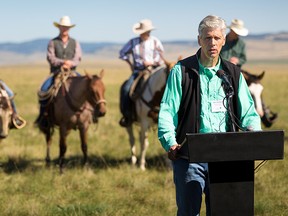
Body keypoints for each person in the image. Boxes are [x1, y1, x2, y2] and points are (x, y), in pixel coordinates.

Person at [158, 15, 261, 216]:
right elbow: (167, 111)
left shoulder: (233, 73)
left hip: (226, 156)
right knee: (189, 213)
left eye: (216, 38)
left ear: (223, 40)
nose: (212, 43)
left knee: (223, 212)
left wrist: (254, 138)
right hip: (189, 157)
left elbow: (249, 112)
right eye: (207, 38)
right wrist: (169, 142)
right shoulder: (181, 71)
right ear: (199, 40)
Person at [35, 15, 82, 125]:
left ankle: (88, 115)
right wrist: (62, 62)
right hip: (57, 72)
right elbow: (50, 57)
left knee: (85, 87)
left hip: (72, 72)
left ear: (69, 28)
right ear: (59, 27)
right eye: (62, 26)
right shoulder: (53, 42)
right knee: (44, 90)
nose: (64, 29)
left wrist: (70, 63)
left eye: (66, 27)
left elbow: (78, 57)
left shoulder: (75, 42)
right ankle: (44, 116)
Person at [119, 19, 165, 127]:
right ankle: (127, 115)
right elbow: (122, 53)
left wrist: (151, 62)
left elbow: (162, 57)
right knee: (126, 89)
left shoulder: (155, 41)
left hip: (154, 71)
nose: (147, 33)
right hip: (138, 72)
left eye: (148, 31)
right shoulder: (133, 42)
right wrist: (130, 63)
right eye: (145, 31)